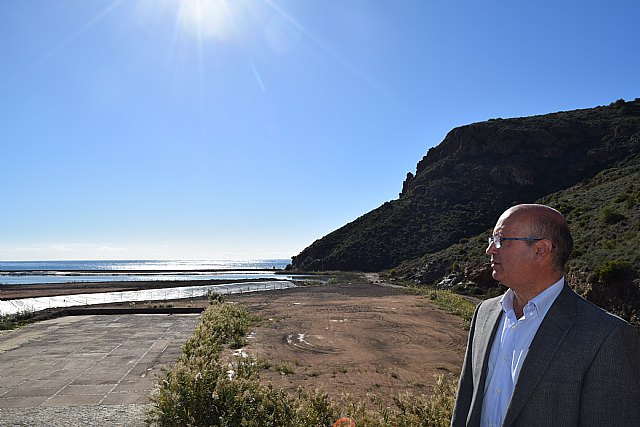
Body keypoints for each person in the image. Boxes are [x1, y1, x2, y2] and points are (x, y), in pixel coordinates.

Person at [451, 204, 640, 427]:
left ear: (541, 250)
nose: (490, 249)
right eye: (491, 240)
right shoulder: (484, 313)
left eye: (501, 240)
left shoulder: (607, 336)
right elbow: (465, 402)